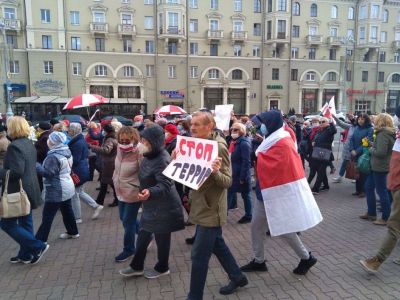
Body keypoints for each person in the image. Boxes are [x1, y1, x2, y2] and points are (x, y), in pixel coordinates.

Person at [241, 110, 322, 276]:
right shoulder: (272, 139)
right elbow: (265, 156)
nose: (259, 126)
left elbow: (275, 164)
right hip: (264, 193)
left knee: (284, 229)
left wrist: (257, 154)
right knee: (257, 227)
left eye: (262, 123)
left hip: (276, 194)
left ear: (270, 124)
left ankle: (306, 257)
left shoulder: (283, 141)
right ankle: (259, 260)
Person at [186, 111, 248, 299]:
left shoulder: (218, 147)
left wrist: (214, 172)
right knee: (217, 245)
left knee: (198, 256)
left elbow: (227, 182)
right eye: (192, 124)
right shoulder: (197, 144)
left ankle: (194, 296)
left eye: (197, 124)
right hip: (201, 203)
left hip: (211, 209)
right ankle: (238, 277)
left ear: (209, 127)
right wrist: (176, 160)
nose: (193, 127)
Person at [119, 125, 184, 278]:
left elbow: (166, 184)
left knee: (162, 238)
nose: (141, 143)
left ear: (154, 142)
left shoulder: (161, 159)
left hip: (164, 206)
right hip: (152, 205)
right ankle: (137, 266)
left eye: (145, 141)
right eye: (141, 140)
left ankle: (162, 267)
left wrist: (150, 191)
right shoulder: (150, 156)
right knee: (143, 235)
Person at [0, 117, 48, 265]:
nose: (7, 128)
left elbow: (16, 172)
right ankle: (25, 254)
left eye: (9, 126)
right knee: (25, 222)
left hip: (19, 190)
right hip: (30, 187)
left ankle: (38, 246)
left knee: (6, 224)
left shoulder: (15, 147)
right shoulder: (28, 143)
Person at [359, 113, 400, 273]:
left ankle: (377, 260)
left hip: (397, 185)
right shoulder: (394, 135)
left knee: (394, 226)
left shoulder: (386, 134)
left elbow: (384, 154)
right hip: (395, 184)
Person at [35, 132, 79, 242]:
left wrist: (36, 165)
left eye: (49, 140)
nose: (48, 142)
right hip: (67, 185)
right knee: (67, 209)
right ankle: (73, 232)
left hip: (56, 188)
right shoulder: (66, 151)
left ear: (54, 142)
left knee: (48, 216)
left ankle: (40, 241)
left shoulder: (53, 156)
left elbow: (48, 173)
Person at [360, 113, 396, 225]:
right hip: (377, 165)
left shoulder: (383, 134)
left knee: (381, 191)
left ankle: (386, 217)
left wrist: (370, 148)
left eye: (376, 119)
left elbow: (380, 152)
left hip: (380, 166)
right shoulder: (385, 133)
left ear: (380, 121)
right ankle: (371, 213)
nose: (374, 120)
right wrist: (372, 144)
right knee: (369, 187)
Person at [113, 126, 142, 262]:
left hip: (133, 191)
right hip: (120, 190)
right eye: (121, 140)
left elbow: (146, 173)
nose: (123, 143)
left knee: (128, 221)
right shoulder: (119, 148)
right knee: (122, 217)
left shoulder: (140, 150)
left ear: (133, 138)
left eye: (127, 140)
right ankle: (145, 234)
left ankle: (129, 249)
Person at [68, 123, 103, 223]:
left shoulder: (77, 142)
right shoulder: (80, 140)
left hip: (78, 170)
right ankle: (95, 206)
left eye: (70, 130)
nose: (68, 131)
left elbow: (75, 159)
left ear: (74, 130)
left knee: (75, 194)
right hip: (81, 169)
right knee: (79, 192)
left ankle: (77, 218)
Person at [227, 122, 253, 224]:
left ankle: (248, 215)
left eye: (235, 130)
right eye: (232, 130)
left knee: (246, 195)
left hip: (240, 175)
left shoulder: (244, 143)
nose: (233, 132)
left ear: (241, 131)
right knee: (230, 193)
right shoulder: (234, 142)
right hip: (233, 173)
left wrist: (242, 177)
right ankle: (223, 214)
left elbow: (246, 162)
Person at [90, 124, 119, 207]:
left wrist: (92, 147)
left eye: (104, 130)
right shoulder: (112, 138)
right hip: (109, 164)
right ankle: (100, 201)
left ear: (107, 131)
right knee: (106, 183)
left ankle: (104, 201)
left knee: (109, 183)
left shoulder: (109, 139)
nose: (102, 132)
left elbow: (106, 150)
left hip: (109, 165)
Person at [310, 117, 337, 195]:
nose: (321, 123)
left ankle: (316, 188)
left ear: (327, 123)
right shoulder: (320, 130)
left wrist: (331, 123)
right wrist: (313, 141)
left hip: (325, 152)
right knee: (320, 170)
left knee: (321, 170)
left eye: (323, 122)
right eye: (320, 122)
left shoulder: (329, 129)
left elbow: (334, 130)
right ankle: (325, 185)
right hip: (318, 151)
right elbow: (316, 138)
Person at [349, 113, 374, 197]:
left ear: (366, 120)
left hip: (364, 153)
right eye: (359, 119)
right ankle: (358, 190)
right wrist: (352, 149)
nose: (360, 120)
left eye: (362, 119)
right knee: (357, 172)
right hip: (354, 153)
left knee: (364, 173)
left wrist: (357, 151)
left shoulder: (370, 129)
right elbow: (351, 139)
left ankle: (363, 191)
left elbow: (367, 142)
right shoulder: (356, 127)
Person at [332, 114, 357, 183]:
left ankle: (356, 177)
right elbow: (341, 123)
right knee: (344, 162)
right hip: (347, 149)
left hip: (355, 149)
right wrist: (335, 118)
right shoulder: (351, 126)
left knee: (355, 163)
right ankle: (340, 177)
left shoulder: (360, 128)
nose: (353, 121)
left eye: (354, 120)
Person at [35, 121, 52, 191]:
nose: (37, 128)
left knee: (40, 180)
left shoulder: (44, 137)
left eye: (38, 127)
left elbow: (43, 151)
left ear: (41, 128)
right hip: (43, 160)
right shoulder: (47, 134)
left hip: (41, 161)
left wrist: (33, 151)